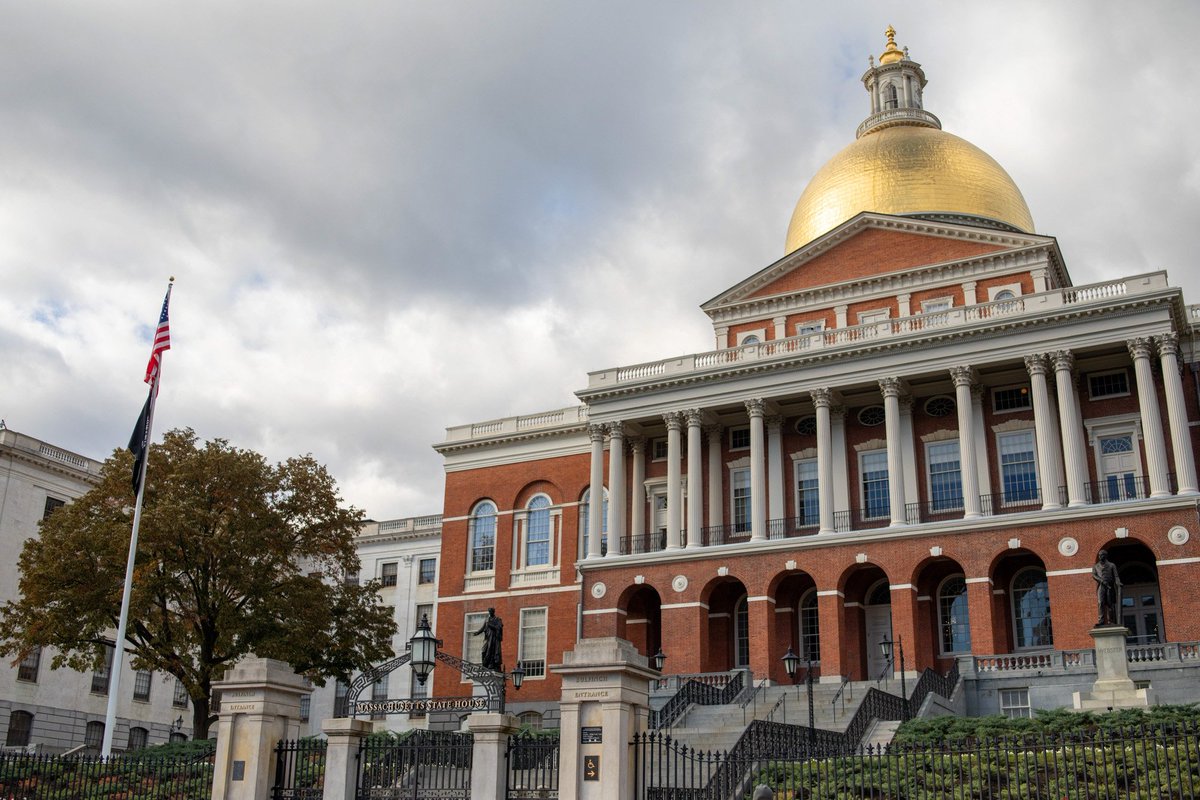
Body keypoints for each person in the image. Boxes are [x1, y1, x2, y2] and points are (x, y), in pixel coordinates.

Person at [1092, 550, 1122, 626]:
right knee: (1100, 602)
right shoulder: (1096, 566)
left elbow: (1116, 576)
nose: (1100, 557)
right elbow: (1094, 575)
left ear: (1105, 556)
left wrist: (1118, 582)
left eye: (1101, 555)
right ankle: (1101, 621)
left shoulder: (1112, 565)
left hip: (1110, 586)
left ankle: (1111, 621)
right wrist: (1101, 580)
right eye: (1099, 555)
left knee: (1110, 604)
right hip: (1101, 586)